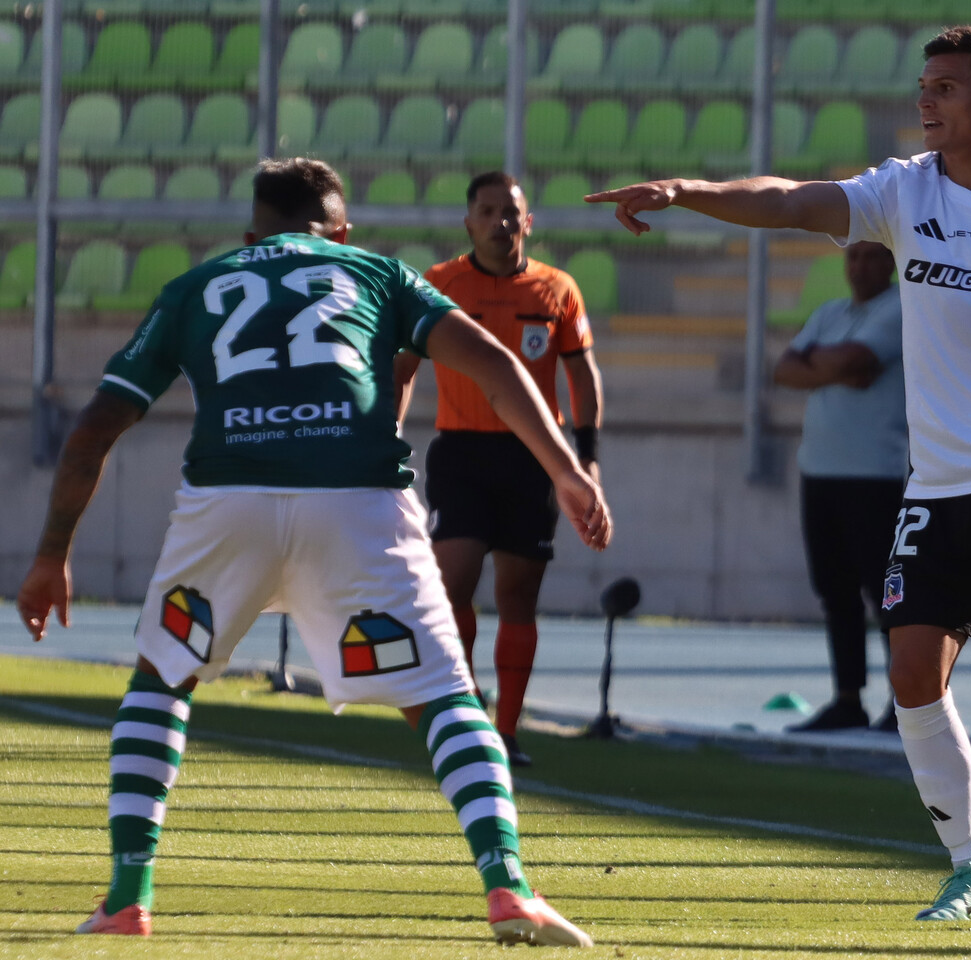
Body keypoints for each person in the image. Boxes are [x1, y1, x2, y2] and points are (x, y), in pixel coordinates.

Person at [587, 25, 971, 922]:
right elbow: (790, 201)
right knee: (913, 672)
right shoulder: (902, 190)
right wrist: (687, 191)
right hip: (941, 481)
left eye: (946, 88)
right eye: (924, 85)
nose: (925, 100)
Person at [16, 158, 606, 946]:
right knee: (444, 698)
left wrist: (51, 555)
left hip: (229, 504)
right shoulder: (378, 272)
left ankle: (127, 898)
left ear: (251, 234)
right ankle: (508, 889)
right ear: (342, 232)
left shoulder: (197, 286)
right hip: (357, 502)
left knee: (161, 680)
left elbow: (94, 427)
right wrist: (567, 471)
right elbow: (495, 365)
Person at [394, 172, 603, 768]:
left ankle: (507, 731)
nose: (499, 222)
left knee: (517, 595)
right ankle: (467, 712)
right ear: (468, 222)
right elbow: (403, 367)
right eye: (486, 212)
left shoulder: (557, 288)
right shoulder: (439, 284)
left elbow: (581, 376)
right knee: (452, 583)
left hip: (532, 458)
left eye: (510, 212)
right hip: (461, 453)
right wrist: (389, 434)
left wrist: (585, 457)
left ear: (527, 221)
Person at [773, 241, 907, 734]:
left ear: (890, 261)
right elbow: (783, 369)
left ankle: (906, 703)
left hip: (875, 475)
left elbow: (858, 357)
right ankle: (847, 698)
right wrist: (838, 370)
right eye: (853, 257)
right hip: (820, 471)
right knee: (835, 591)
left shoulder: (901, 308)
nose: (860, 266)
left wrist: (817, 365)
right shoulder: (830, 312)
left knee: (887, 594)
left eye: (872, 256)